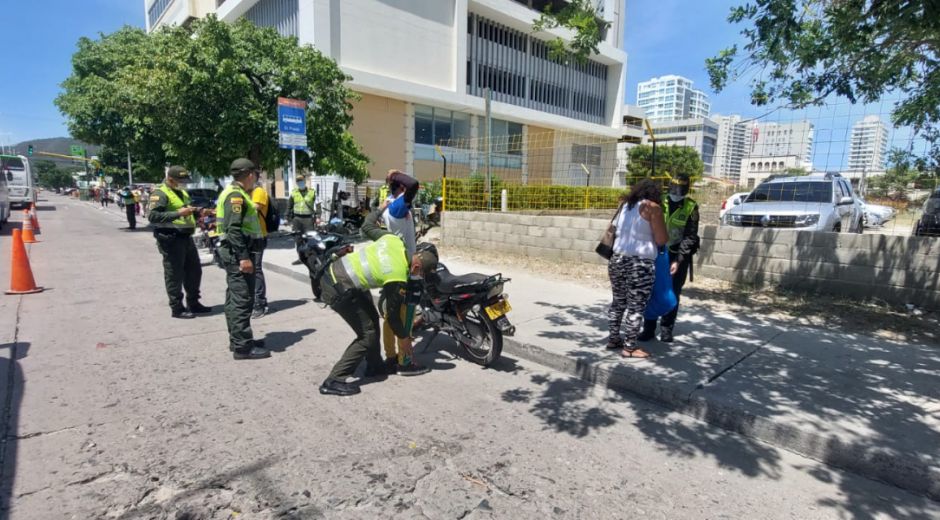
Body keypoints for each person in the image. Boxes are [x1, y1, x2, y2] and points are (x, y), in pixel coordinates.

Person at [316, 208, 438, 396]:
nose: (417, 277)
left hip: (341, 277)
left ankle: (374, 366)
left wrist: (381, 207)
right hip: (339, 288)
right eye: (420, 273)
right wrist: (405, 340)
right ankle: (334, 379)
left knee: (372, 322)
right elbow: (393, 316)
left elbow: (367, 226)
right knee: (368, 335)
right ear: (416, 267)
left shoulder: (394, 240)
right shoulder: (397, 275)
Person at [607, 179, 668, 359]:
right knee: (636, 305)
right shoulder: (653, 208)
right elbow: (661, 239)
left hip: (617, 259)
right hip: (639, 264)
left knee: (618, 301)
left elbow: (613, 229)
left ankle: (613, 339)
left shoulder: (625, 205)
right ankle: (629, 347)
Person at [216, 159, 270, 360]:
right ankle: (242, 347)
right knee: (242, 300)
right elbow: (234, 230)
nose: (255, 178)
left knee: (234, 299)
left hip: (234, 253)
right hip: (238, 254)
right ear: (249, 175)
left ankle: (238, 339)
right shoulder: (236, 196)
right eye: (255, 174)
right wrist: (244, 257)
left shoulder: (231, 193)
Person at [639, 173, 700, 343]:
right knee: (650, 291)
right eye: (674, 189)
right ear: (670, 187)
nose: (676, 193)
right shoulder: (660, 201)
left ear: (686, 190)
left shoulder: (691, 207)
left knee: (671, 293)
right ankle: (648, 329)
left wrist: (678, 261)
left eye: (680, 190)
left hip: (677, 255)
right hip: (655, 253)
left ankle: (666, 329)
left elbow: (690, 237)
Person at [148, 166, 213, 319]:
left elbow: (186, 209)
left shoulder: (181, 192)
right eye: (180, 181)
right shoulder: (160, 193)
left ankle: (193, 303)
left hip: (186, 237)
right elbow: (153, 216)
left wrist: (198, 211)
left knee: (194, 271)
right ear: (170, 179)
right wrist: (178, 213)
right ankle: (177, 308)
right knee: (174, 274)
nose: (183, 184)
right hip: (170, 238)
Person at [379, 170, 423, 373]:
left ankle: (390, 356)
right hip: (401, 268)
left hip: (392, 264)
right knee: (403, 316)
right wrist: (395, 175)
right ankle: (404, 362)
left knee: (391, 314)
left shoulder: (388, 205)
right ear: (402, 189)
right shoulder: (396, 206)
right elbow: (413, 184)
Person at [250, 175, 271, 318]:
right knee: (250, 270)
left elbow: (254, 208)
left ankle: (260, 303)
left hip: (258, 236)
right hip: (249, 236)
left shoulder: (258, 192)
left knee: (256, 269)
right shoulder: (248, 193)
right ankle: (254, 301)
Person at [287, 174, 317, 264]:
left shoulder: (312, 192)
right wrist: (288, 218)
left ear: (305, 181)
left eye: (301, 181)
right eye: (298, 181)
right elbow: (289, 206)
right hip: (297, 219)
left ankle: (312, 258)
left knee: (310, 239)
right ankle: (301, 258)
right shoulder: (293, 192)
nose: (300, 183)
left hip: (308, 219)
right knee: (298, 239)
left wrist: (318, 216)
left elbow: (318, 204)